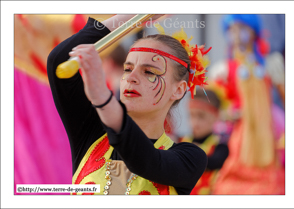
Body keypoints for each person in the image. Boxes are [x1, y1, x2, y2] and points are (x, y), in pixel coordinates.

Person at [47, 15, 209, 195]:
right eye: (128, 69)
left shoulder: (190, 157)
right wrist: (132, 16)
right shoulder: (92, 135)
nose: (131, 78)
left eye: (149, 71)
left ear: (179, 89)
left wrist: (103, 98)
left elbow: (146, 161)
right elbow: (59, 63)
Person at [208, 14, 285, 194]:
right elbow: (217, 102)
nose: (235, 34)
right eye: (231, 29)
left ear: (253, 31)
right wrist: (229, 113)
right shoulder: (223, 68)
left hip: (267, 126)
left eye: (241, 28)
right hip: (241, 129)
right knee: (238, 159)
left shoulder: (270, 64)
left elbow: (284, 94)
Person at [180, 87, 229, 195]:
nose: (195, 122)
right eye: (191, 115)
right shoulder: (183, 141)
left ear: (216, 116)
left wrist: (192, 154)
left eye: (201, 116)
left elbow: (215, 161)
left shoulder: (221, 145)